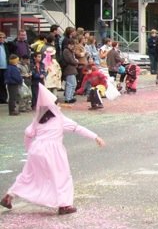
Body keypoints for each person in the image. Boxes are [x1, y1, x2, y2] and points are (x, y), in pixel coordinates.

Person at [1, 84, 106, 215]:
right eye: (57, 104)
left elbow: (28, 133)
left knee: (27, 175)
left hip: (36, 149)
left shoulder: (38, 119)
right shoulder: (60, 118)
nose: (59, 106)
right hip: (53, 151)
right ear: (53, 106)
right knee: (62, 176)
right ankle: (64, 205)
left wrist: (29, 150)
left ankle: (9, 196)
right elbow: (78, 128)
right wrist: (95, 137)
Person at [61, 39, 79, 104]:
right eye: (71, 45)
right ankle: (68, 98)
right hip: (69, 69)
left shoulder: (70, 51)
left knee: (73, 84)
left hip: (72, 69)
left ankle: (70, 97)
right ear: (68, 45)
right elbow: (70, 60)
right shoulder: (66, 51)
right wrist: (76, 62)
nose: (72, 46)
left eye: (73, 45)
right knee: (70, 84)